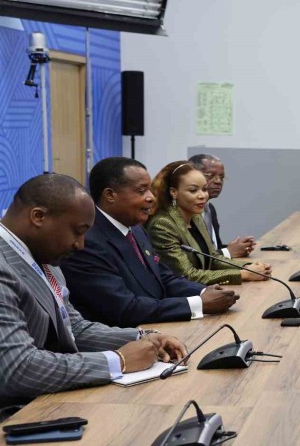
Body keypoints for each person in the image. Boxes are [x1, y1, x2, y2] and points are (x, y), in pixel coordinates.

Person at [0, 174, 186, 409]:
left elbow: (74, 328)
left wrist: (143, 338)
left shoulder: (44, 257)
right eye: (77, 231)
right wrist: (118, 361)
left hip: (48, 399)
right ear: (38, 217)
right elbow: (18, 368)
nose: (80, 245)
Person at [60, 157, 240, 327]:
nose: (151, 197)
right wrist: (198, 304)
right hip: (123, 338)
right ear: (110, 195)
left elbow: (162, 276)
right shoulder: (87, 242)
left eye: (149, 190)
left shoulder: (135, 228)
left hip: (157, 328)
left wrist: (203, 291)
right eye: (141, 191)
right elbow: (124, 308)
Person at [146, 160, 271, 285]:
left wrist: (248, 267)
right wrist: (244, 274)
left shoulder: (196, 217)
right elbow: (187, 275)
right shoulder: (162, 225)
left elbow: (213, 258)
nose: (202, 196)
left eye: (204, 189)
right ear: (174, 192)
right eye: (193, 190)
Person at [188, 154, 255, 259]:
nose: (218, 181)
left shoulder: (210, 209)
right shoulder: (184, 212)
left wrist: (239, 248)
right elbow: (192, 257)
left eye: (221, 177)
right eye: (210, 175)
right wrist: (228, 252)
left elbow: (213, 249)